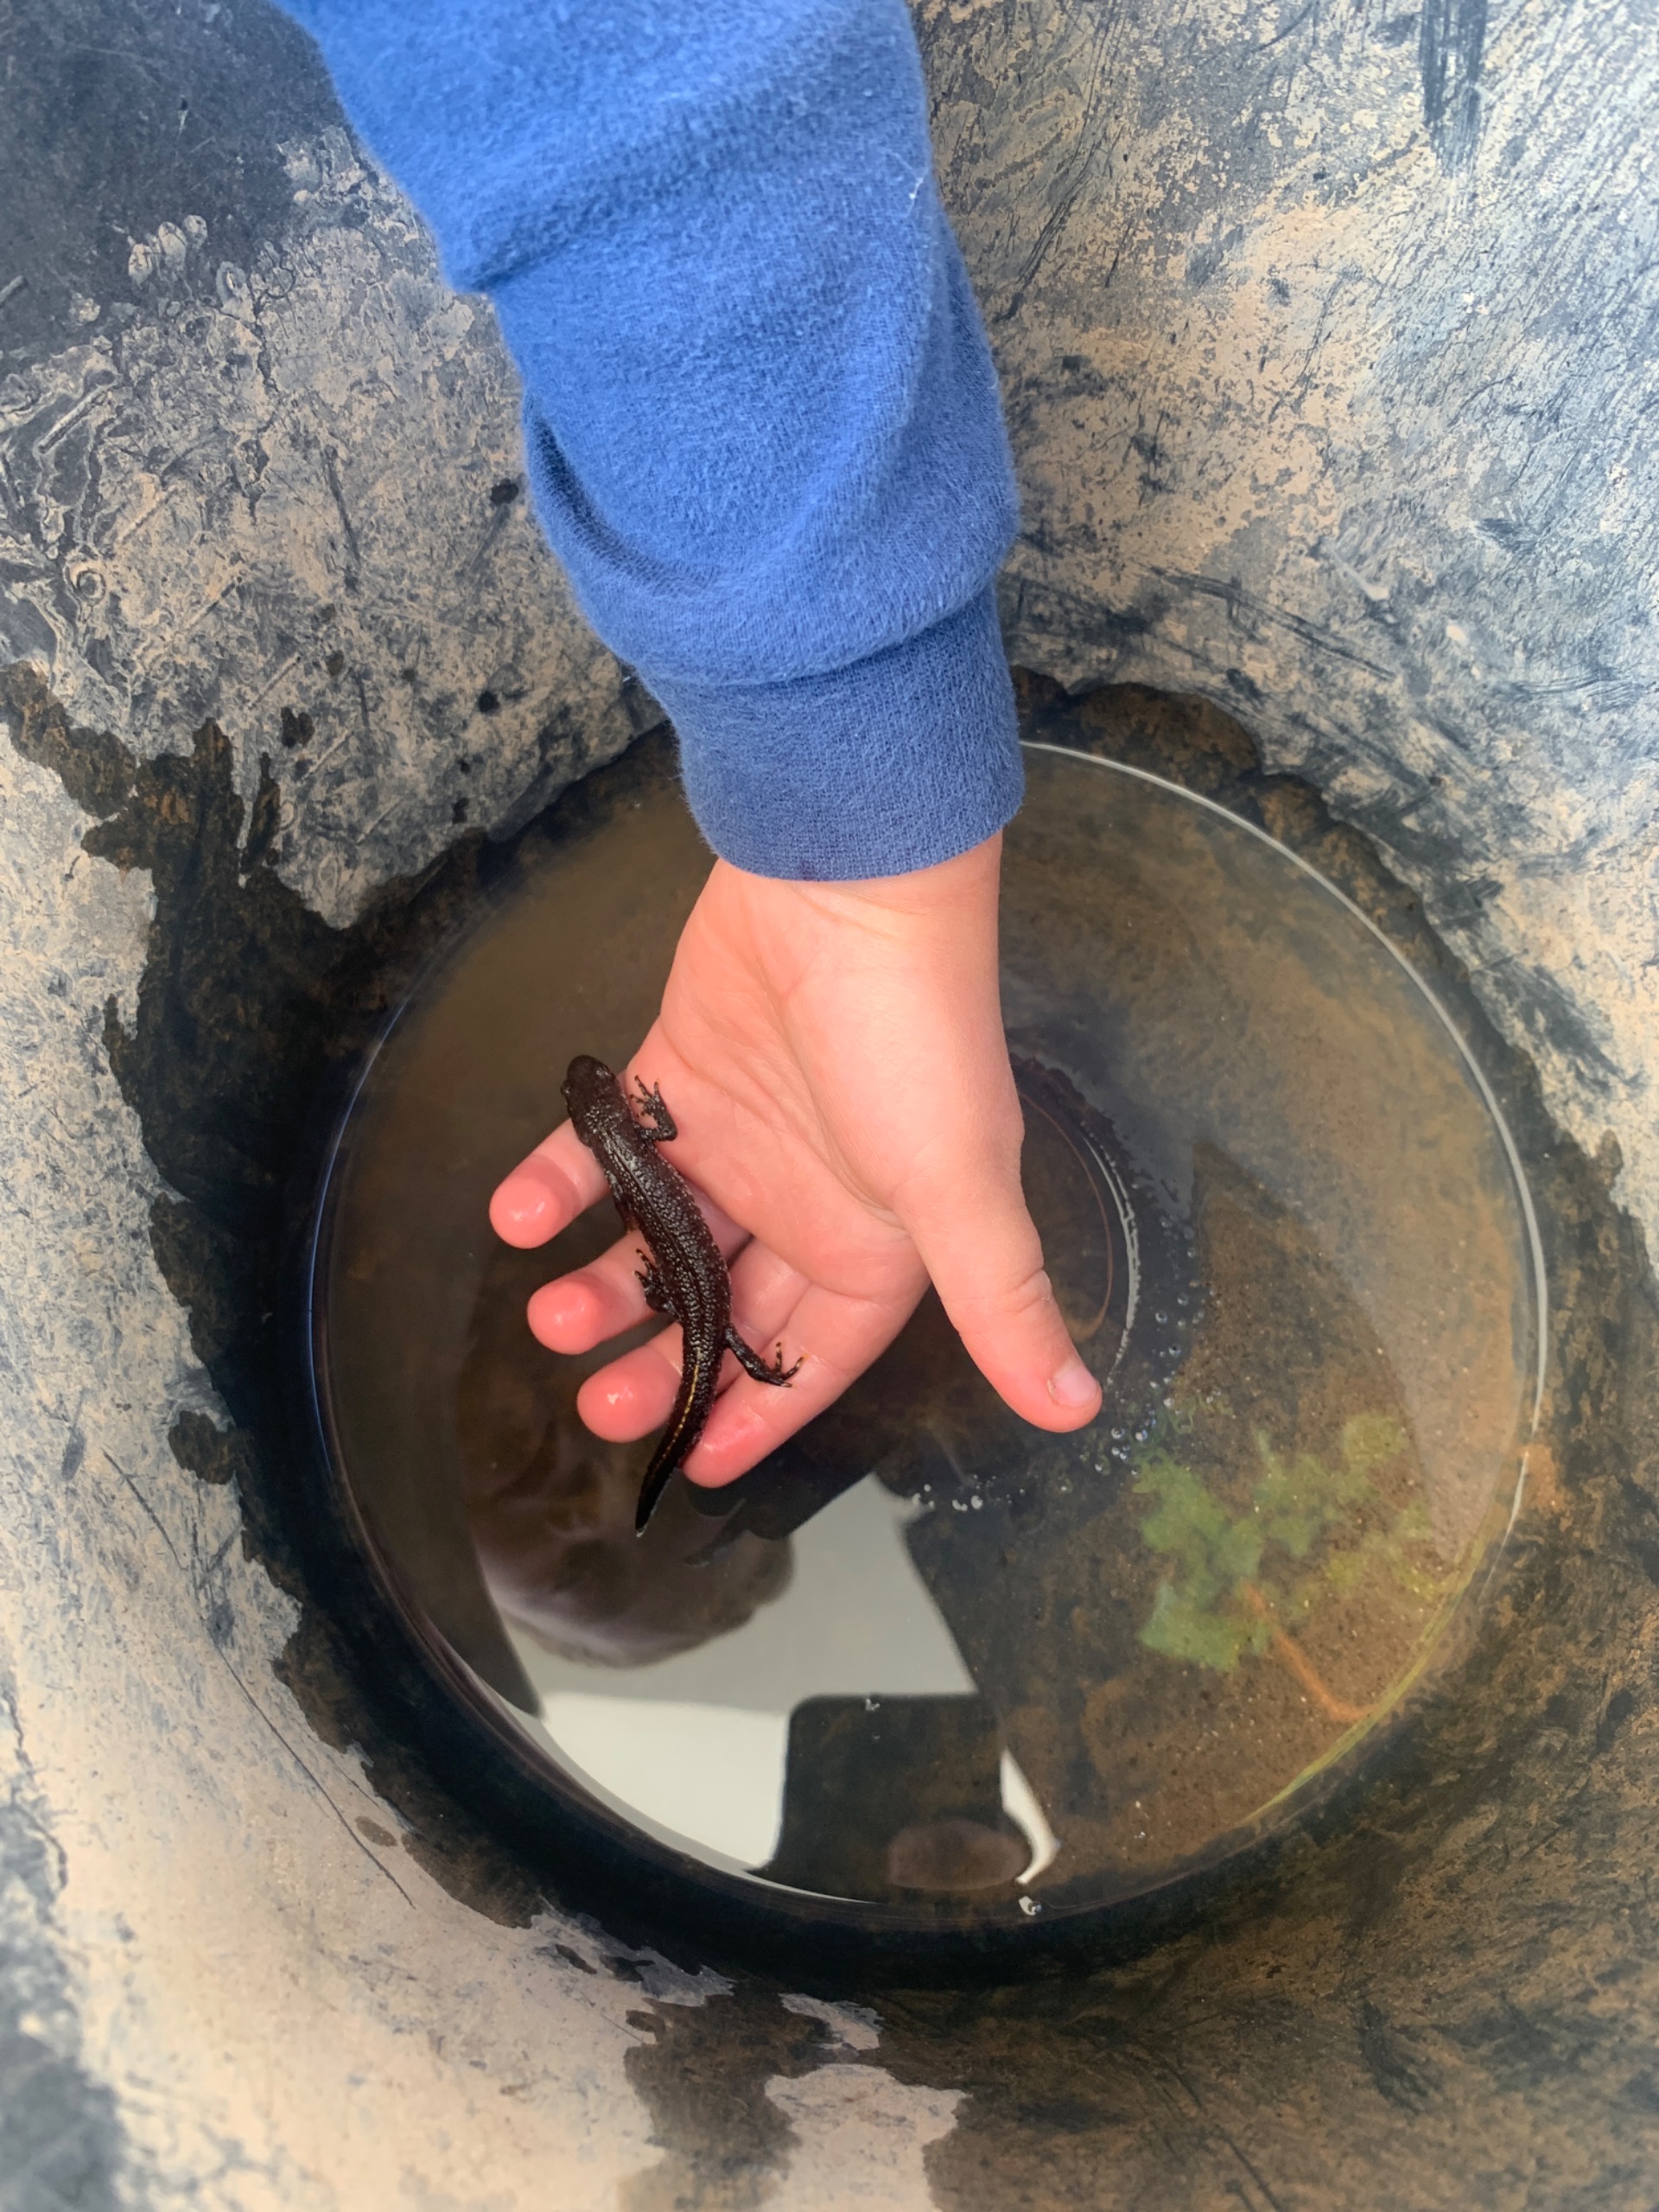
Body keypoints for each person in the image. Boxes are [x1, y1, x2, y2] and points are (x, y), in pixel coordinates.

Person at [279, 0, 1103, 1493]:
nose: (622, 1111)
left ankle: (702, 1420)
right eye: (617, 1105)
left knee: (693, 1314)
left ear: (622, 1121)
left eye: (616, 1111)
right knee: (697, 1317)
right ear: (625, 1112)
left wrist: (857, 854)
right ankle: (697, 1427)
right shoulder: (644, 1139)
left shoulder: (649, 1145)